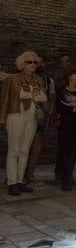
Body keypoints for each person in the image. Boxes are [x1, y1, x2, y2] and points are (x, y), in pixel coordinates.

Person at [0, 51, 48, 196]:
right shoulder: (13, 79)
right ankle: (12, 182)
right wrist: (2, 117)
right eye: (29, 62)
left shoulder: (38, 79)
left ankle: (21, 181)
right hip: (16, 114)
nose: (33, 64)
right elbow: (6, 98)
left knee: (25, 150)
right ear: (22, 64)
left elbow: (44, 97)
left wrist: (31, 94)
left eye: (35, 62)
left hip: (32, 116)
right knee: (14, 150)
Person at [25, 55, 56, 185]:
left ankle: (29, 175)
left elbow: (51, 98)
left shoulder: (48, 81)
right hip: (24, 118)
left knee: (36, 148)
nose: (38, 65)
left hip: (39, 119)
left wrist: (47, 113)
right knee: (23, 148)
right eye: (35, 62)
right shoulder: (23, 78)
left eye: (40, 62)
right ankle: (15, 176)